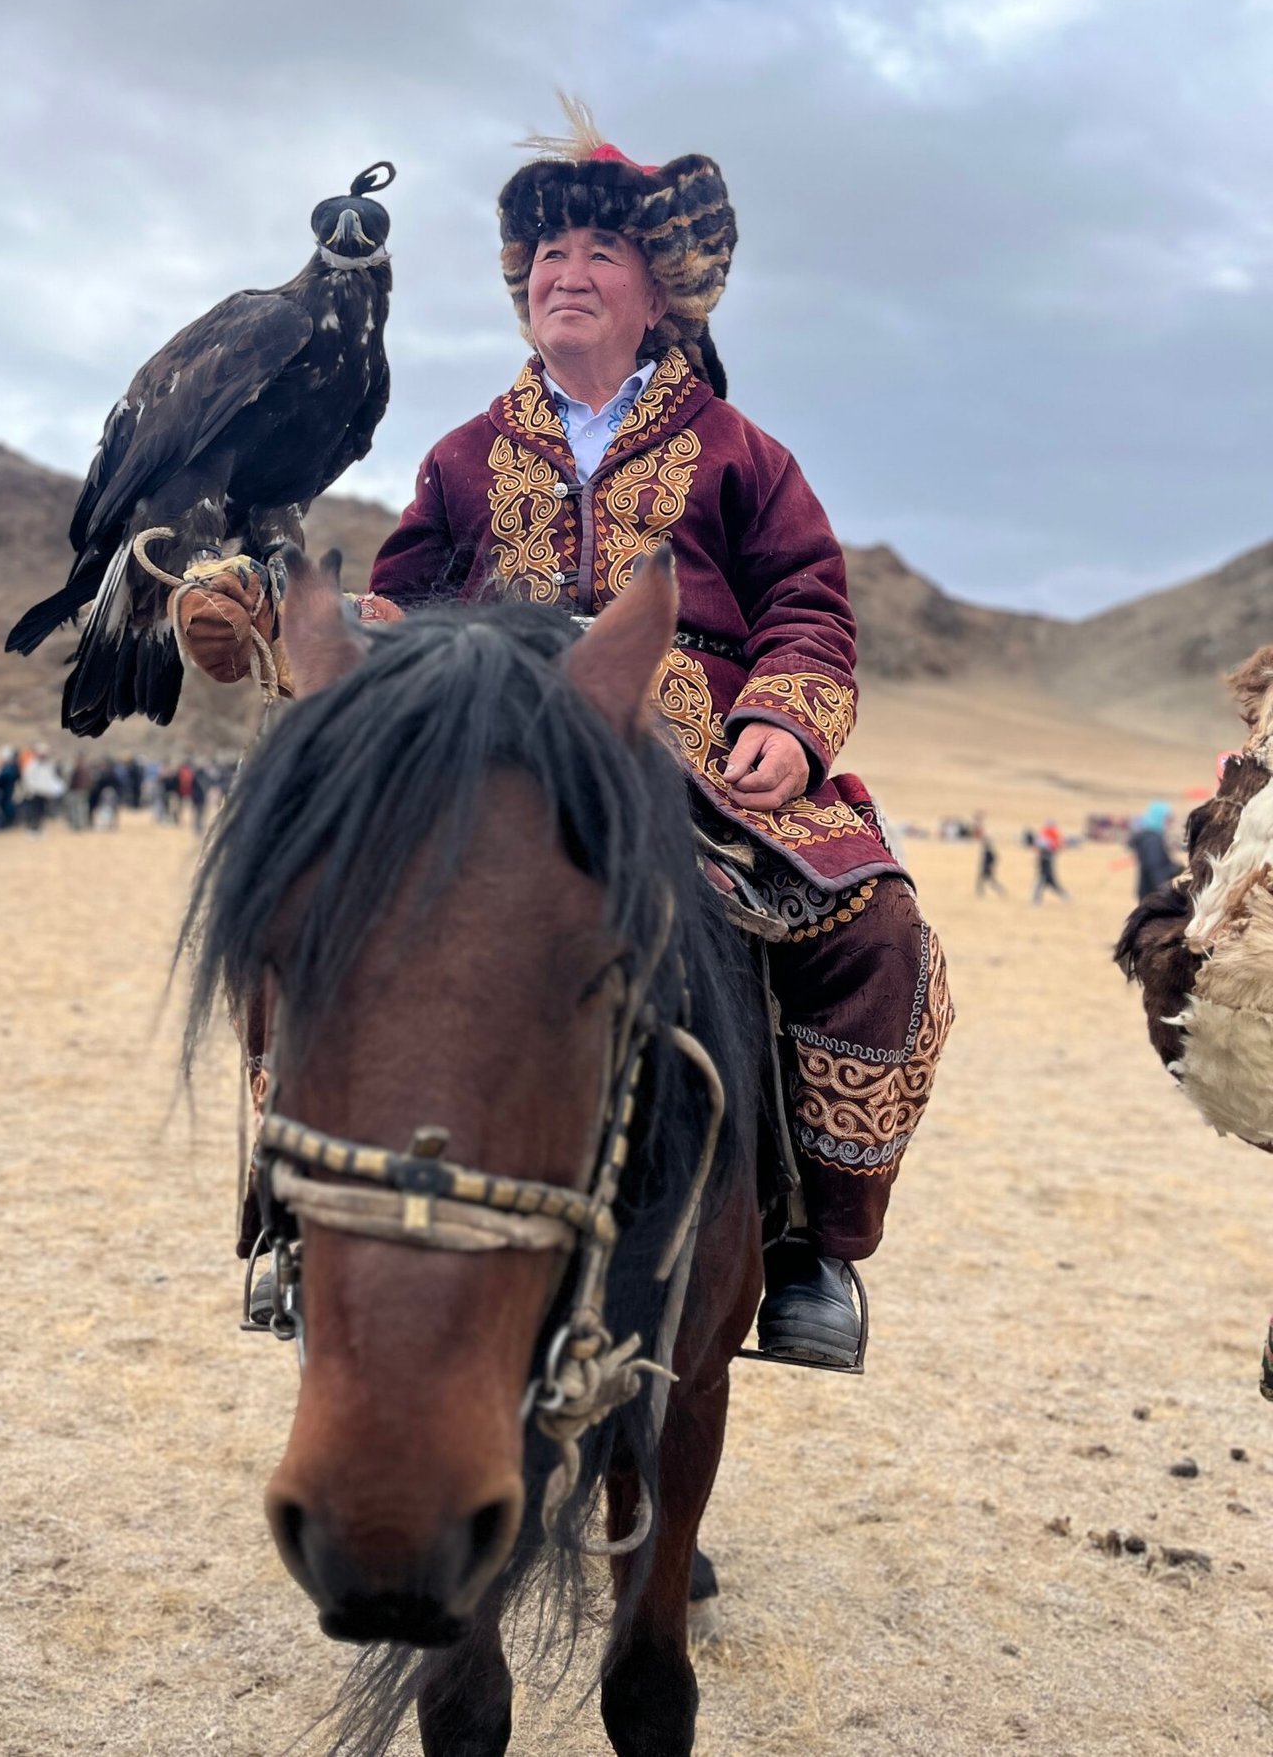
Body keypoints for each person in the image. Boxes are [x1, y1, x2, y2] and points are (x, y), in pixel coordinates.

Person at [180, 107, 954, 1369]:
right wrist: (281, 619)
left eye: (599, 252)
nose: (565, 272)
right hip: (499, 754)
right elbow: (401, 610)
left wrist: (784, 720)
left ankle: (813, 1248)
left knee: (877, 931)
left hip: (704, 762)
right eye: (547, 255)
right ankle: (300, 1214)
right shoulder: (463, 457)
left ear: (659, 297)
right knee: (304, 902)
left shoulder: (742, 454)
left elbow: (809, 607)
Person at [1128, 801, 1181, 900]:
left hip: (1149, 892)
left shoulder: (1149, 837)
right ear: (1159, 818)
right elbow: (1156, 869)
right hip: (1154, 894)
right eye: (1168, 819)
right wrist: (1166, 892)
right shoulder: (1152, 840)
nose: (1171, 823)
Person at [1029, 823, 1070, 903]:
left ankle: (1036, 900)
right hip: (1045, 865)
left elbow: (1041, 850)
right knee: (1051, 883)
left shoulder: (1047, 839)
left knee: (1042, 883)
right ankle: (1065, 896)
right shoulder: (1049, 839)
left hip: (1045, 867)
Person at [976, 819, 1005, 897]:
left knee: (988, 882)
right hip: (986, 867)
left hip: (987, 868)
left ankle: (982, 893)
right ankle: (981, 893)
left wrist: (989, 866)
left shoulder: (988, 851)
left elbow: (993, 859)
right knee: (986, 881)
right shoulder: (987, 851)